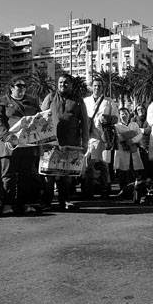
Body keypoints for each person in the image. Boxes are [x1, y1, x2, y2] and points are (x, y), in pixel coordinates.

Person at [40, 74, 89, 210]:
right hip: (50, 143)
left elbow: (85, 123)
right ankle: (46, 202)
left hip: (71, 143)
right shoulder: (49, 98)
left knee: (66, 175)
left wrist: (85, 143)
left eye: (66, 83)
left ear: (71, 85)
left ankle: (65, 201)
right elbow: (40, 119)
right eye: (60, 82)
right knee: (48, 175)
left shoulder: (78, 100)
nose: (63, 85)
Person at [0, 78, 41, 215]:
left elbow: (40, 119)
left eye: (24, 86)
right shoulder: (2, 101)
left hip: (27, 144)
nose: (22, 88)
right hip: (8, 145)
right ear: (11, 87)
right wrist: (6, 136)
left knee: (27, 175)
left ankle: (25, 203)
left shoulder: (32, 101)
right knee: (8, 176)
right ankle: (7, 203)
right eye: (19, 85)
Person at [83, 75, 118, 198]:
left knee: (103, 164)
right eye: (95, 86)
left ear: (103, 88)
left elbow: (116, 118)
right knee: (88, 164)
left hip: (103, 137)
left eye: (99, 86)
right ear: (91, 87)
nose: (97, 88)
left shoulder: (109, 101)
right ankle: (88, 190)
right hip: (88, 136)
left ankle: (105, 189)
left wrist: (107, 118)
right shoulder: (85, 101)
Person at [113, 107, 145, 201]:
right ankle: (123, 192)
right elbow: (118, 137)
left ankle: (133, 193)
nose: (124, 115)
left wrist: (132, 140)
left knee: (133, 172)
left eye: (125, 113)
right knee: (123, 173)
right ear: (119, 115)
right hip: (122, 151)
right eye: (122, 114)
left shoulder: (134, 124)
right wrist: (129, 135)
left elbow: (139, 135)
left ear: (129, 114)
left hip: (134, 150)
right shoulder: (116, 126)